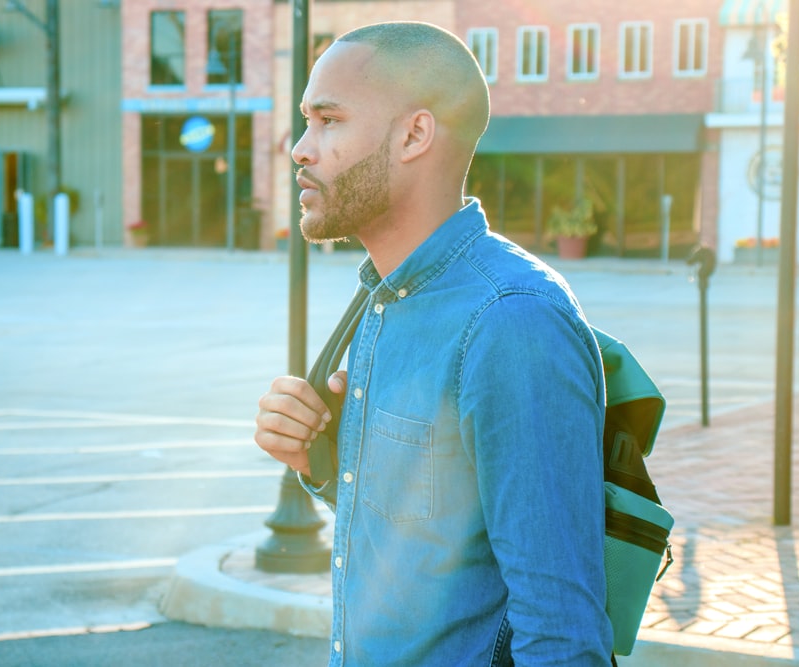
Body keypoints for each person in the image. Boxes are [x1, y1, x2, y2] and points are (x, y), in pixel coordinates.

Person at [254, 21, 614, 666]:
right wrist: (324, 463)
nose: (301, 149)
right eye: (305, 122)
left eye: (328, 120)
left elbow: (562, 633)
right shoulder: (386, 296)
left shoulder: (512, 322)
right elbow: (431, 539)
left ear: (415, 134)